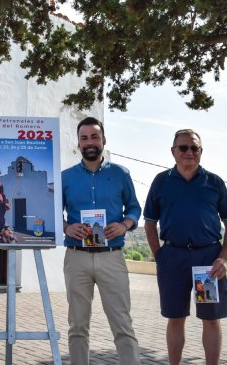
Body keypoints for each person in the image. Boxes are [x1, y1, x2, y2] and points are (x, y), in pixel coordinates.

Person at [144, 129, 227, 365]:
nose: (189, 152)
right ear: (173, 151)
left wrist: (223, 258)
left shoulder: (214, 182)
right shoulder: (161, 181)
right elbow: (149, 223)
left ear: (201, 152)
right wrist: (160, 256)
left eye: (194, 148)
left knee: (211, 319)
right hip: (173, 257)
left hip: (208, 259)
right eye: (183, 147)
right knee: (175, 317)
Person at [62, 116, 141, 365]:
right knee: (77, 326)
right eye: (84, 138)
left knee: (122, 324)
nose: (89, 142)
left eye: (94, 136)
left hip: (112, 257)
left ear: (103, 140)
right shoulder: (66, 177)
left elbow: (135, 208)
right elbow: (53, 214)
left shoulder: (121, 174)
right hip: (76, 258)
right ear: (78, 143)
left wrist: (124, 225)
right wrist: (67, 226)